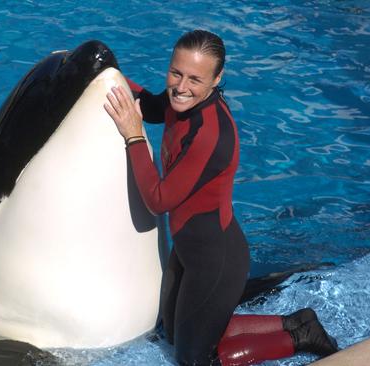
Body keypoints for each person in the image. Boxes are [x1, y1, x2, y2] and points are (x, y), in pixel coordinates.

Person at [104, 30, 339, 365]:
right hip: (188, 249)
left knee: (196, 360)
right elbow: (153, 107)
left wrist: (132, 136)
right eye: (176, 73)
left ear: (216, 80)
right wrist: (103, 72)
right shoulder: (179, 102)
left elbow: (158, 200)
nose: (181, 87)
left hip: (215, 260)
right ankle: (295, 321)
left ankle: (301, 335)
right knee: (173, 334)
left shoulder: (210, 134)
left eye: (195, 79)